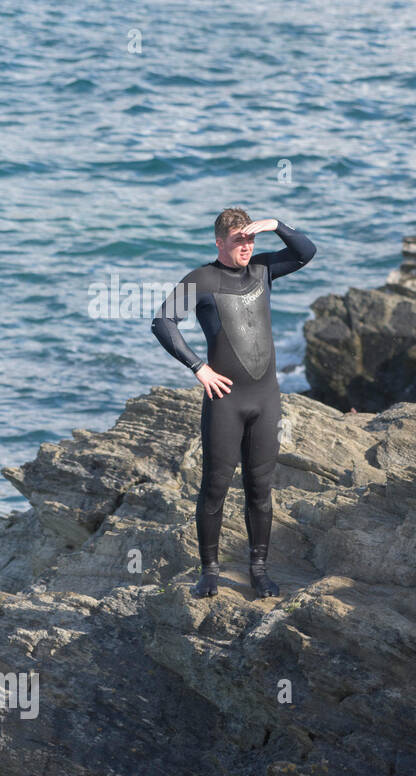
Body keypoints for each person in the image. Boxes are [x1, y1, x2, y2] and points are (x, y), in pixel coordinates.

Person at [152, 209, 316, 598]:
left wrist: (275, 224)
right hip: (225, 400)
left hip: (265, 399)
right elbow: (163, 323)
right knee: (215, 488)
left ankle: (258, 571)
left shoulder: (263, 270)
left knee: (260, 489)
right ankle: (209, 571)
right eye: (239, 240)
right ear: (219, 242)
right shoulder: (201, 280)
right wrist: (198, 367)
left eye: (250, 240)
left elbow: (306, 252)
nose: (247, 247)